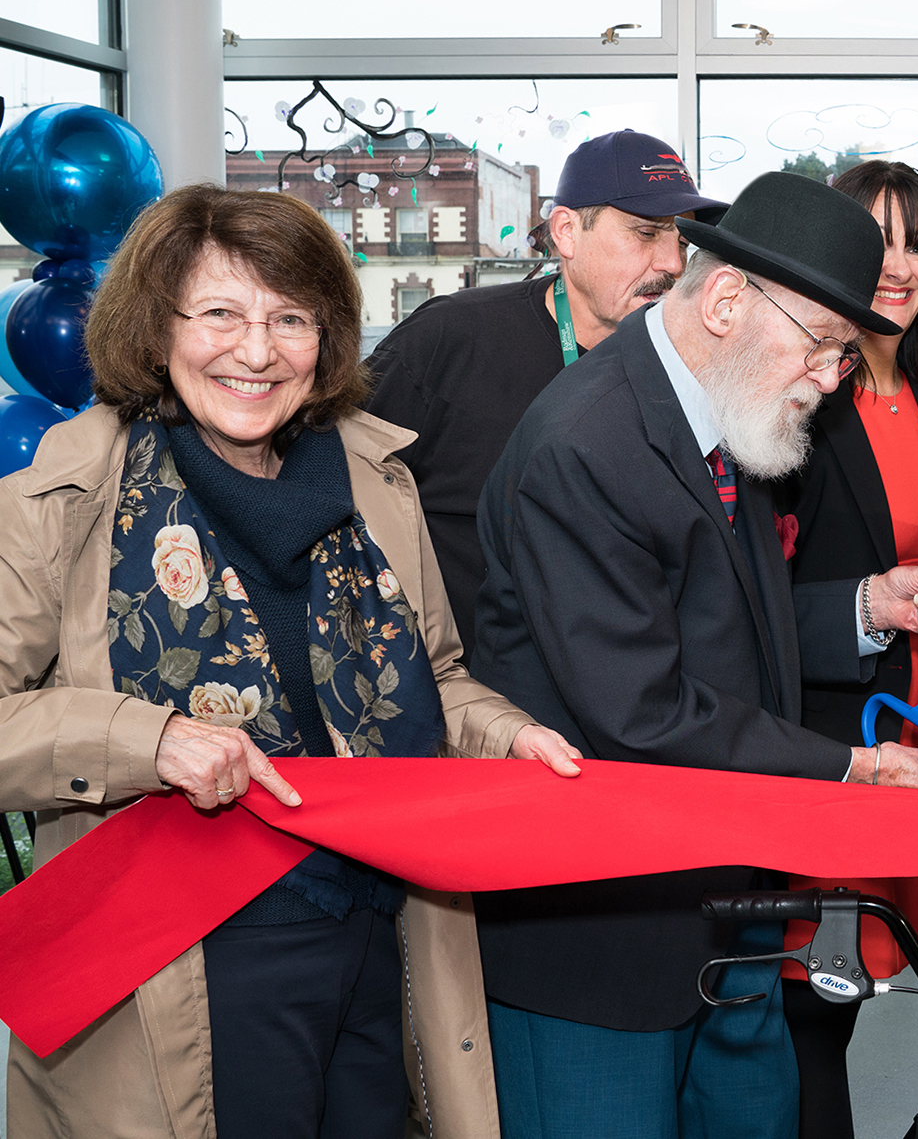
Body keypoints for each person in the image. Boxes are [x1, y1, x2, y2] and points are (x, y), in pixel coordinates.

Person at [0, 185, 580, 1139]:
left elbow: (434, 679)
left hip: (382, 928)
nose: (258, 351)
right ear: (154, 331)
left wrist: (505, 733)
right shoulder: (70, 492)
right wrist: (149, 740)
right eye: (219, 314)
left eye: (290, 318)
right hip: (182, 957)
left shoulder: (376, 476)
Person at [471, 170, 918, 1139]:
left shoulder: (730, 411)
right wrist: (852, 768)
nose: (833, 378)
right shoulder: (584, 446)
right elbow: (642, 708)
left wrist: (867, 606)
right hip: (602, 948)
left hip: (728, 916)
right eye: (824, 347)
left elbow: (731, 621)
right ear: (728, 300)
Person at [771, 160, 918, 1139]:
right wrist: (865, 606)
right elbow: (749, 601)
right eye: (877, 238)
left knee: (837, 1012)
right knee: (806, 1014)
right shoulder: (801, 391)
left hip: (916, 745)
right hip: (829, 751)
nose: (899, 264)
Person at [364, 129, 727, 658]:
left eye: (682, 240)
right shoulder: (450, 339)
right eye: (647, 234)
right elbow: (329, 481)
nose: (673, 263)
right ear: (567, 233)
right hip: (467, 702)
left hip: (627, 688)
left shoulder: (693, 365)